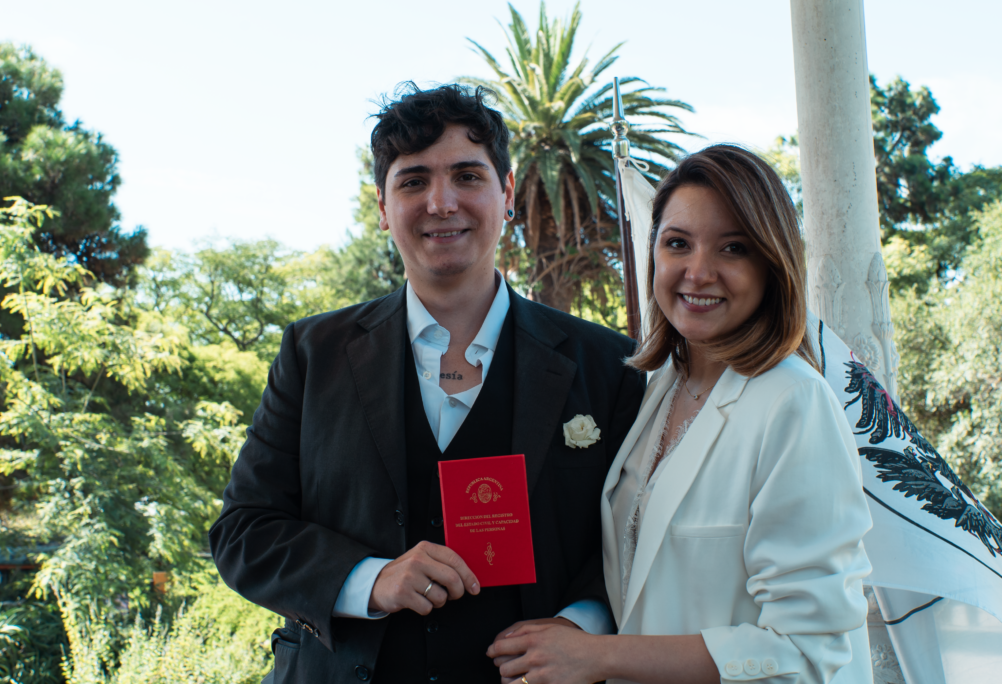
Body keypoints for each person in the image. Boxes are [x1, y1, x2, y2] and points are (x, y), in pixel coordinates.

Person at [208, 83, 645, 684]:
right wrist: (368, 578)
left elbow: (636, 533)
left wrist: (581, 625)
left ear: (507, 192)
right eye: (413, 181)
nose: (442, 202)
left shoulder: (609, 364)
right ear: (383, 208)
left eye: (467, 175)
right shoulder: (313, 356)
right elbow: (244, 531)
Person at [488, 144, 874, 684]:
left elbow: (807, 650)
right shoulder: (654, 390)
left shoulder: (794, 404)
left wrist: (600, 658)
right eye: (678, 244)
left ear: (772, 264)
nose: (699, 271)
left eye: (733, 248)